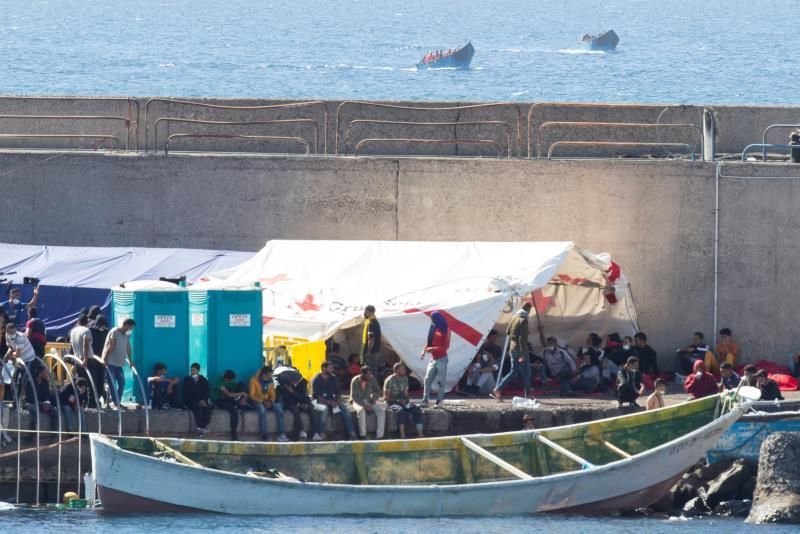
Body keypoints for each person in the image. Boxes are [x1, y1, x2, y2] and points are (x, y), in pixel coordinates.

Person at [492, 303, 532, 402]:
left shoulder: (514, 318)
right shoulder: (524, 320)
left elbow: (507, 332)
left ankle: (498, 388)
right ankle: (528, 395)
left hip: (512, 348)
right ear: (528, 310)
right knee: (526, 372)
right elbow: (522, 338)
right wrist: (523, 353)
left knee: (513, 371)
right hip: (520, 349)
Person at [311, 362, 356, 441]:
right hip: (319, 401)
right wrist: (328, 402)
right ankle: (321, 433)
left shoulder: (333, 377)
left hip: (332, 400)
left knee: (344, 408)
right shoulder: (316, 378)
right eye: (330, 368)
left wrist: (338, 400)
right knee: (325, 410)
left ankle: (352, 433)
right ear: (324, 368)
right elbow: (316, 395)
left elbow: (337, 392)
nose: (332, 370)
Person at [248, 365, 288, 442]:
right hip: (257, 400)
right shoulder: (254, 380)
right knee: (262, 410)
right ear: (264, 374)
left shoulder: (271, 382)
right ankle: (264, 434)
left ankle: (282, 434)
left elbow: (273, 395)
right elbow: (251, 395)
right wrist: (262, 401)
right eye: (269, 374)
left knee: (279, 408)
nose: (270, 376)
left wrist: (270, 401)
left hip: (268, 401)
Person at [383, 362, 423, 439]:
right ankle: (402, 434)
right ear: (397, 370)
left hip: (403, 401)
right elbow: (386, 397)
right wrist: (398, 401)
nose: (405, 371)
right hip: (392, 402)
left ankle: (420, 433)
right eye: (403, 369)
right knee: (401, 411)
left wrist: (407, 400)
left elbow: (405, 393)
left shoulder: (405, 378)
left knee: (417, 410)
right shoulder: (390, 380)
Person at [276, 368, 317, 441]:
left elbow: (304, 397)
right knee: (295, 410)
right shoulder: (284, 385)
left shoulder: (303, 383)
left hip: (302, 402)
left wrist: (304, 403)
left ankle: (315, 433)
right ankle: (301, 431)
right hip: (292, 403)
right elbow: (287, 398)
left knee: (311, 409)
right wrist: (298, 403)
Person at [101, 318, 135, 407]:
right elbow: (110, 346)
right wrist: (104, 359)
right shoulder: (115, 332)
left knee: (122, 382)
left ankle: (117, 400)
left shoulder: (127, 334)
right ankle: (116, 402)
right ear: (126, 325)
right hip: (110, 362)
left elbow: (128, 347)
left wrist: (131, 360)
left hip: (119, 362)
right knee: (112, 382)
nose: (131, 330)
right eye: (131, 328)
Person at [421, 311, 451, 406]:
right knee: (427, 379)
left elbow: (445, 347)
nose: (431, 320)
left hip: (442, 358)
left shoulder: (446, 330)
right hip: (433, 359)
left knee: (441, 380)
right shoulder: (433, 328)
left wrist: (433, 349)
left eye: (432, 318)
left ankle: (439, 400)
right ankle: (425, 400)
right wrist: (424, 351)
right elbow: (429, 342)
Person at [350, 365, 386, 439]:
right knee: (361, 411)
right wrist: (364, 405)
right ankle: (363, 434)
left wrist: (374, 398)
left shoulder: (372, 379)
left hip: (369, 400)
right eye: (368, 374)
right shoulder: (355, 380)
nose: (370, 376)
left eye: (370, 374)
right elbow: (354, 396)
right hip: (358, 401)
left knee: (381, 412)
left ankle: (380, 435)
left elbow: (378, 391)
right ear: (363, 374)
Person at [213, 369, 248, 441]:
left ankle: (240, 404)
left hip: (229, 399)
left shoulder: (231, 382)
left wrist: (243, 397)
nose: (231, 381)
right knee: (234, 411)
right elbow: (229, 394)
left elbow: (237, 390)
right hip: (219, 400)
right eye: (230, 380)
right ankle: (234, 435)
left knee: (242, 384)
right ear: (226, 378)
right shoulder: (219, 381)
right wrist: (242, 394)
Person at [183, 362, 213, 435]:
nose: (192, 372)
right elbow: (188, 393)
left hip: (202, 400)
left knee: (208, 407)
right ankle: (199, 426)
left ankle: (204, 426)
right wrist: (198, 400)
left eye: (194, 370)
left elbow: (207, 391)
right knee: (198, 408)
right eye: (191, 370)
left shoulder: (203, 380)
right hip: (192, 400)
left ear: (198, 370)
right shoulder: (188, 380)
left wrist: (203, 400)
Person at [87, 315, 109, 407]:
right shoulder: (91, 331)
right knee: (93, 381)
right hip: (92, 359)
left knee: (100, 381)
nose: (103, 327)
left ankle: (98, 399)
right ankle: (91, 401)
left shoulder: (106, 332)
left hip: (101, 360)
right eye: (102, 325)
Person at [25, 363, 55, 430]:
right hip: (31, 403)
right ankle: (33, 434)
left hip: (41, 403)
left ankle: (54, 433)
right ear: (40, 373)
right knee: (35, 412)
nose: (47, 374)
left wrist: (47, 403)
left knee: (54, 411)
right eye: (46, 372)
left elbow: (47, 395)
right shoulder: (30, 382)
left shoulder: (45, 382)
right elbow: (29, 397)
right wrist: (41, 404)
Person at [360, 305, 382, 374]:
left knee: (370, 370)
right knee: (373, 369)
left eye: (365, 311)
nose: (364, 313)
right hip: (375, 350)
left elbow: (371, 339)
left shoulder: (371, 323)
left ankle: (372, 384)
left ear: (370, 312)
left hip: (372, 352)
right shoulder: (375, 322)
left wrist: (368, 351)